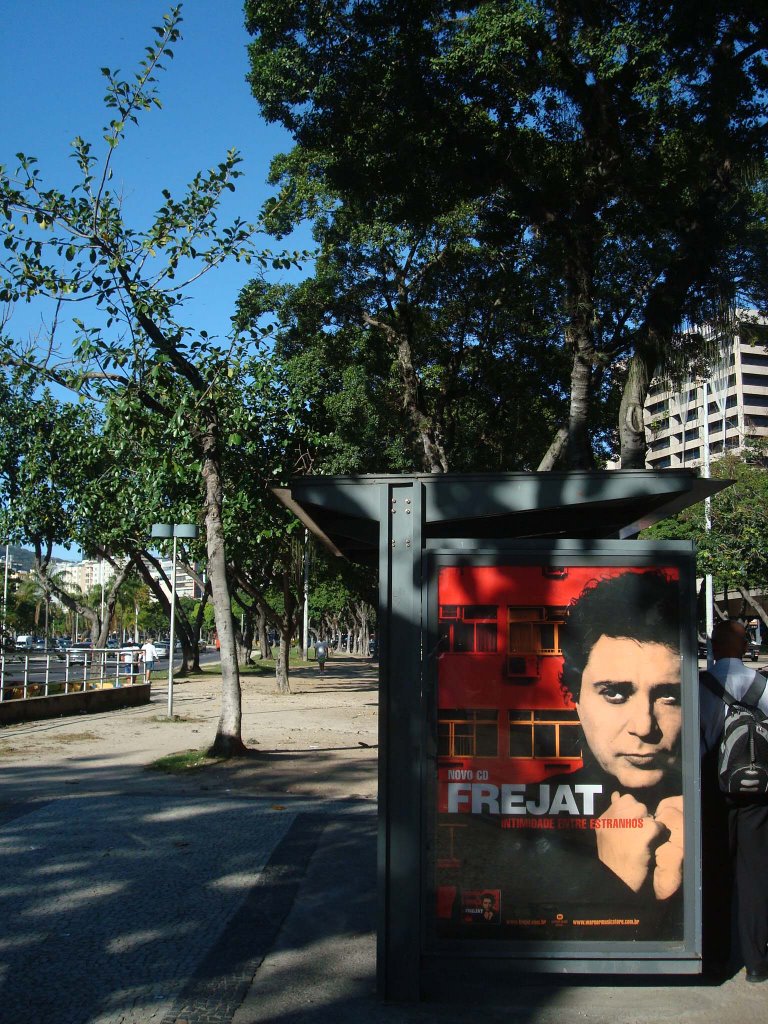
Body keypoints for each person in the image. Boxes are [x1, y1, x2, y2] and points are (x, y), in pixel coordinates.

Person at [558, 570, 684, 905]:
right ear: (575, 700)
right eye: (615, 693)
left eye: (669, 696)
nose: (644, 726)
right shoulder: (527, 814)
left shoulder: (709, 807)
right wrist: (615, 881)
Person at [700, 619, 768, 983]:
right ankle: (757, 963)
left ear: (713, 645)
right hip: (757, 791)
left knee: (717, 870)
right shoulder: (761, 685)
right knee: (756, 873)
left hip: (715, 789)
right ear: (745, 648)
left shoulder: (701, 685)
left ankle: (716, 959)